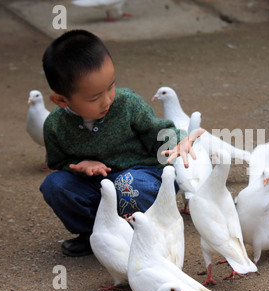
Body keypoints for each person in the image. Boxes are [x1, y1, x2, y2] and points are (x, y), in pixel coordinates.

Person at [40, 29, 202, 257]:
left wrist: (178, 143)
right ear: (61, 100)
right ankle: (96, 236)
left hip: (143, 177)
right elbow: (60, 162)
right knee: (55, 185)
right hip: (96, 186)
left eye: (111, 86)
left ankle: (140, 236)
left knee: (128, 184)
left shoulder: (128, 103)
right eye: (94, 97)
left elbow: (158, 132)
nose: (107, 99)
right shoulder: (55, 126)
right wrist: (79, 165)